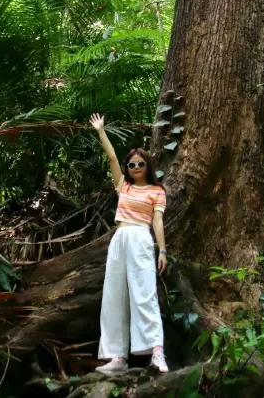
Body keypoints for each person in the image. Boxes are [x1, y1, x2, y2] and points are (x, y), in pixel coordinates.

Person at [90, 113, 169, 375]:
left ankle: (157, 353)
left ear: (148, 165)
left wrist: (163, 250)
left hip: (140, 238)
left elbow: (157, 222)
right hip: (119, 239)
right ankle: (117, 357)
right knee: (114, 296)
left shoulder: (157, 192)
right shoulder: (123, 187)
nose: (135, 168)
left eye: (140, 164)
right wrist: (101, 130)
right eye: (131, 165)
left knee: (144, 293)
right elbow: (112, 158)